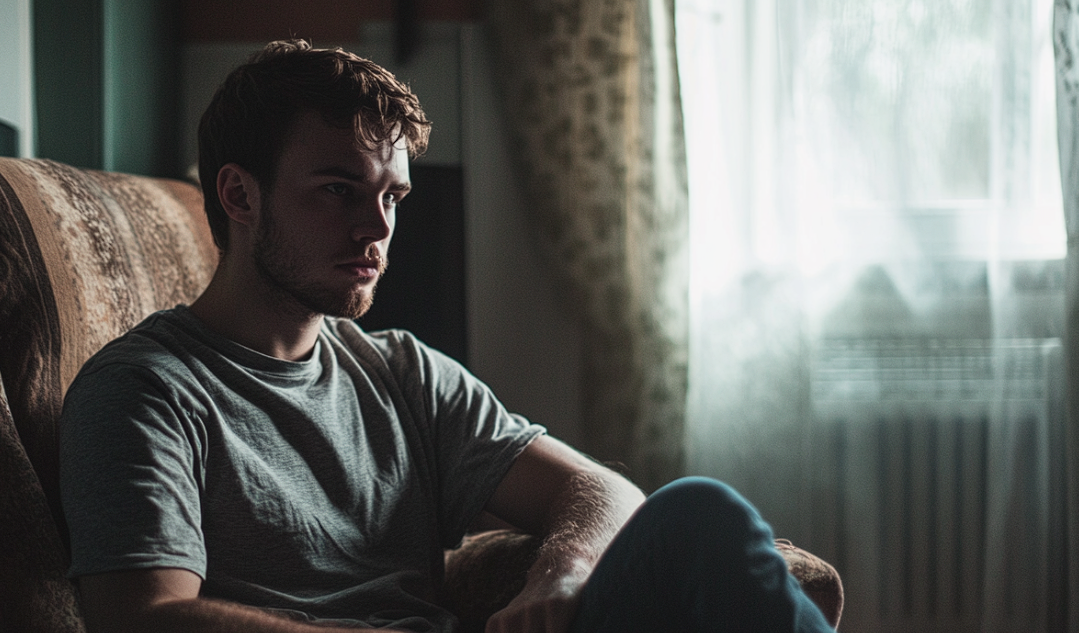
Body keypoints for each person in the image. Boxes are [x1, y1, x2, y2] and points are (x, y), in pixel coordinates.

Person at [59, 40, 833, 633]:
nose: (376, 230)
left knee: (698, 513)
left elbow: (601, 487)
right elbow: (147, 618)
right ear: (238, 193)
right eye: (337, 191)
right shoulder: (146, 390)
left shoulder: (399, 371)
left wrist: (560, 573)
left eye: (391, 195)